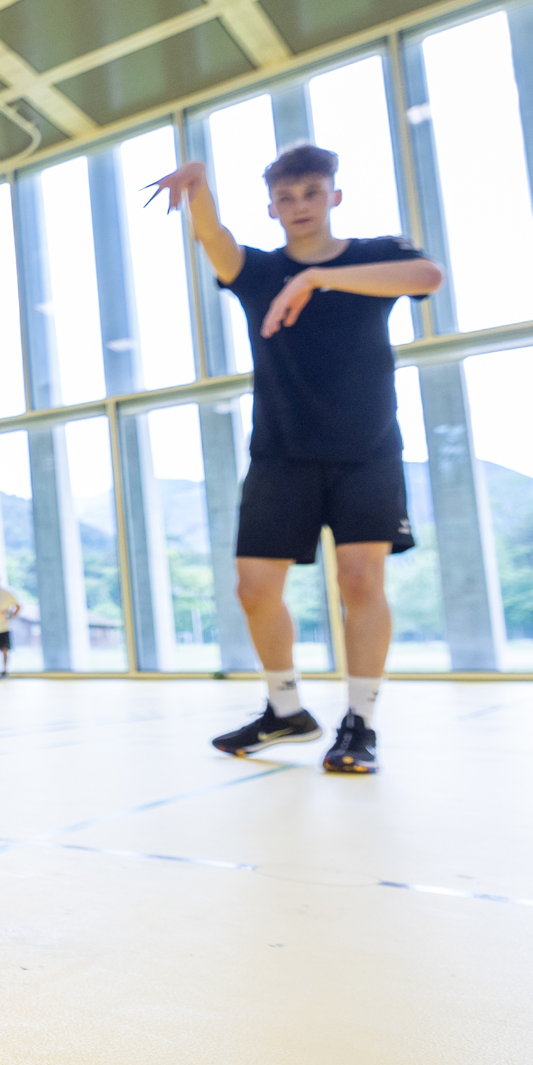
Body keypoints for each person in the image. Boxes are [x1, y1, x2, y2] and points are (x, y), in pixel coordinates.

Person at [151, 144, 442, 773]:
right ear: (272, 207)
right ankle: (285, 710)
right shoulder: (258, 272)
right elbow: (215, 239)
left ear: (334, 196)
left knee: (361, 580)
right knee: (254, 588)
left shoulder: (376, 256)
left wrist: (316, 277)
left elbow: (428, 278)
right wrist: (199, 185)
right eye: (287, 197)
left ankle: (360, 723)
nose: (300, 206)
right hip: (281, 452)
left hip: (367, 450)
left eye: (312, 193)